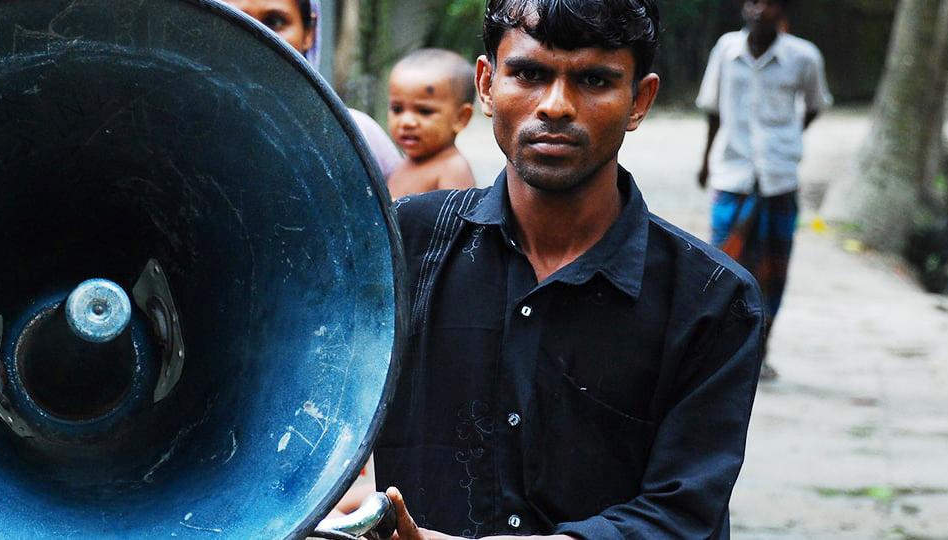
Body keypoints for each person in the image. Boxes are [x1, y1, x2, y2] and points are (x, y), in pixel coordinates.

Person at [373, 0, 766, 538]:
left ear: (639, 100)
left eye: (594, 80)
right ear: (487, 85)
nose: (556, 106)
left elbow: (682, 516)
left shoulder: (711, 300)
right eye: (530, 74)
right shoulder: (401, 247)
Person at [695, 0, 831, 379]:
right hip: (732, 175)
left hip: (779, 180)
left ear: (783, 12)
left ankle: (761, 351)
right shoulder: (726, 51)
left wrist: (787, 140)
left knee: (772, 269)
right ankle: (721, 352)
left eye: (769, 4)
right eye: (754, 2)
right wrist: (705, 161)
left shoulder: (803, 58)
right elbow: (712, 109)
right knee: (723, 266)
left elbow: (815, 105)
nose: (759, 10)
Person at [221, 0, 403, 179]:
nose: (255, 34)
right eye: (236, 19)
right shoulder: (194, 133)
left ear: (310, 33)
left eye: (275, 21)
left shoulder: (354, 135)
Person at [386, 48, 477, 200]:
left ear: (460, 118)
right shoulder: (402, 164)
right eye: (397, 109)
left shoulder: (452, 169)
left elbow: (457, 222)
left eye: (424, 111)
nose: (406, 122)